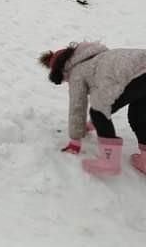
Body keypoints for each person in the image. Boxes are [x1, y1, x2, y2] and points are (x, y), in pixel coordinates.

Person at [41, 42, 146, 176]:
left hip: (136, 76)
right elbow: (111, 100)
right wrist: (93, 124)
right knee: (139, 116)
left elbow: (77, 106)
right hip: (140, 69)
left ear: (62, 69)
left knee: (98, 112)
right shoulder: (97, 57)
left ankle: (109, 161)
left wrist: (75, 139)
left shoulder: (77, 71)